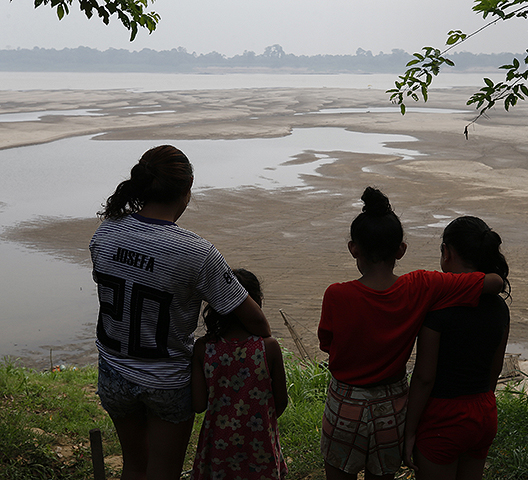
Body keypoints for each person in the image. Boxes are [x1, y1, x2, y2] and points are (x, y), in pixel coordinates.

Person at [90, 145, 271, 480]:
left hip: (114, 372)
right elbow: (256, 320)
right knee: (164, 470)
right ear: (187, 192)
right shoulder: (196, 253)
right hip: (167, 381)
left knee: (133, 463)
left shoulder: (106, 233)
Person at [317, 187, 504, 480]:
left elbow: (327, 344)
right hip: (391, 406)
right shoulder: (420, 286)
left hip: (345, 403)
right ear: (401, 250)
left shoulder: (336, 295)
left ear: (354, 248)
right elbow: (493, 283)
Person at [403, 216, 511, 480]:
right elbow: (495, 369)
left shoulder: (439, 310)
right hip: (484, 410)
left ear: (447, 252)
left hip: (443, 417)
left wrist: (408, 431)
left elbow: (425, 377)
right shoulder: (499, 308)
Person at [191, 268, 288, 480]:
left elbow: (198, 405)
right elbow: (280, 401)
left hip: (218, 445)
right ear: (257, 303)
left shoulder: (203, 348)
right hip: (259, 442)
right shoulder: (268, 347)